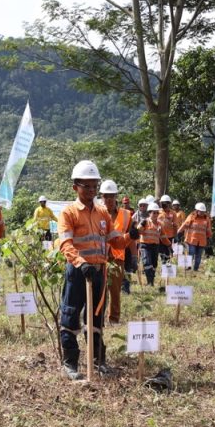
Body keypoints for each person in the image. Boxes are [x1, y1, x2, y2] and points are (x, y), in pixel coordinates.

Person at [57, 161, 130, 379]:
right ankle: (70, 363)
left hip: (98, 272)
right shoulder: (69, 213)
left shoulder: (102, 214)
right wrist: (81, 263)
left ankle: (98, 360)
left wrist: (131, 237)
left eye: (93, 186)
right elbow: (65, 244)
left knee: (96, 317)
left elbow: (115, 242)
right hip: (78, 272)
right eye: (86, 186)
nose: (91, 191)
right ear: (75, 187)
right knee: (70, 314)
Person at [100, 180, 138, 322]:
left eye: (111, 196)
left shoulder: (127, 215)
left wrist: (134, 256)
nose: (109, 199)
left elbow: (132, 237)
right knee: (100, 291)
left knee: (115, 291)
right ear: (101, 196)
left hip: (117, 258)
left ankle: (114, 319)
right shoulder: (96, 212)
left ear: (116, 196)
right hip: (99, 258)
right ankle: (98, 319)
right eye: (106, 196)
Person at [137, 203, 168, 286]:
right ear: (149, 213)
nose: (155, 214)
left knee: (154, 264)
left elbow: (163, 237)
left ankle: (151, 281)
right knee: (147, 263)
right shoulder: (145, 222)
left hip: (155, 246)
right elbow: (139, 231)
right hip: (145, 246)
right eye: (153, 213)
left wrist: (169, 245)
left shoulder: (160, 224)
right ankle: (150, 282)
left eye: (157, 213)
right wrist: (141, 225)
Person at [180, 203, 212, 271]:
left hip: (202, 241)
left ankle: (196, 269)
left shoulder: (207, 219)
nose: (202, 213)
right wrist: (178, 232)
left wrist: (209, 237)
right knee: (191, 253)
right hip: (192, 240)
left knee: (199, 255)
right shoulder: (191, 217)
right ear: (196, 211)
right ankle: (188, 267)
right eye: (201, 211)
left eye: (203, 211)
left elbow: (208, 229)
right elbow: (185, 225)